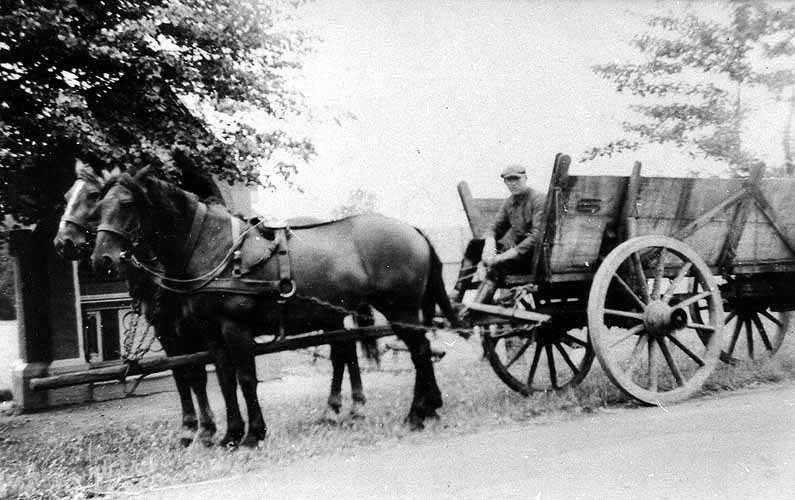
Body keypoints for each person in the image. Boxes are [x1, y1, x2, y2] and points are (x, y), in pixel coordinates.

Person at [450, 164, 546, 304]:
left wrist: (502, 257)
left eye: (516, 179)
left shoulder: (538, 199)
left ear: (525, 178)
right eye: (509, 180)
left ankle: (475, 309)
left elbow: (537, 236)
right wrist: (489, 244)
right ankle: (456, 295)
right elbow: (495, 227)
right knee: (475, 245)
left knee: (499, 265)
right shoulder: (510, 202)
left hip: (533, 257)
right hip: (516, 255)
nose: (513, 184)